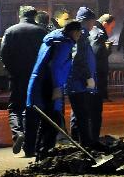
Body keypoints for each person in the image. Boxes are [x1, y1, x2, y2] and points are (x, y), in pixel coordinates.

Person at [24, 20, 83, 158]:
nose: (80, 35)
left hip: (42, 83)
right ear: (74, 32)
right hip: (49, 85)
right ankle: (45, 153)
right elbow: (55, 66)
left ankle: (39, 151)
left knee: (46, 120)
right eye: (79, 32)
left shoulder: (54, 38)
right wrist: (56, 87)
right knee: (52, 120)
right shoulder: (64, 44)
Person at [0, 5, 47, 154]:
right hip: (36, 77)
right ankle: (30, 147)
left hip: (17, 76)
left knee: (15, 108)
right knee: (32, 109)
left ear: (20, 15)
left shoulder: (11, 31)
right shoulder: (42, 32)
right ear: (34, 16)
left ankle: (18, 133)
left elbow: (3, 54)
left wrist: (11, 70)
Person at [69, 7, 99, 147]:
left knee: (79, 113)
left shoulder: (82, 34)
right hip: (79, 81)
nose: (93, 25)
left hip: (79, 81)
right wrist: (88, 77)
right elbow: (78, 59)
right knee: (81, 114)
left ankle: (78, 142)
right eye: (92, 21)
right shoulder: (80, 35)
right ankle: (83, 144)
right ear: (87, 21)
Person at [88, 13, 116, 141]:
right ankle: (92, 139)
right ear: (105, 24)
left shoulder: (94, 31)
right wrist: (106, 50)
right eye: (112, 27)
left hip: (91, 78)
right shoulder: (99, 34)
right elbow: (95, 58)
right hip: (95, 79)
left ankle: (87, 137)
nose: (111, 30)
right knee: (94, 110)